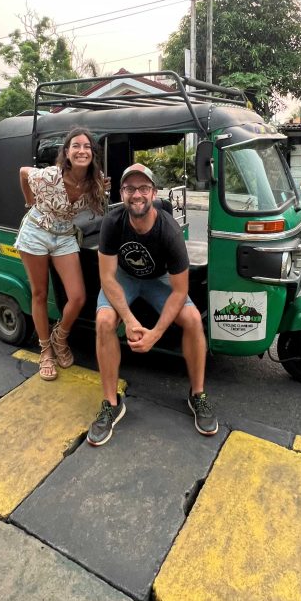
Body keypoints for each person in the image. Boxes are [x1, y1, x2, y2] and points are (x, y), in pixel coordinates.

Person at [87, 163, 217, 446]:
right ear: (121, 193)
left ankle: (198, 395)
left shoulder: (168, 230)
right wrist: (131, 321)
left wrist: (154, 334)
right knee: (105, 322)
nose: (137, 194)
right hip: (124, 278)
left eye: (144, 188)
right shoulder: (112, 222)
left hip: (160, 280)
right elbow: (107, 277)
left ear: (154, 193)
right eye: (130, 188)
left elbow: (180, 290)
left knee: (194, 320)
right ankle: (111, 403)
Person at [17, 128, 107, 380]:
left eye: (87, 146)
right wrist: (29, 201)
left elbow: (102, 202)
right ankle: (45, 351)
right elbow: (24, 173)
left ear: (92, 153)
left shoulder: (94, 179)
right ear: (66, 153)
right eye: (76, 146)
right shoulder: (50, 175)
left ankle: (60, 337)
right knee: (40, 293)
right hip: (36, 232)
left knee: (77, 296)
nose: (82, 150)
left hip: (65, 234)